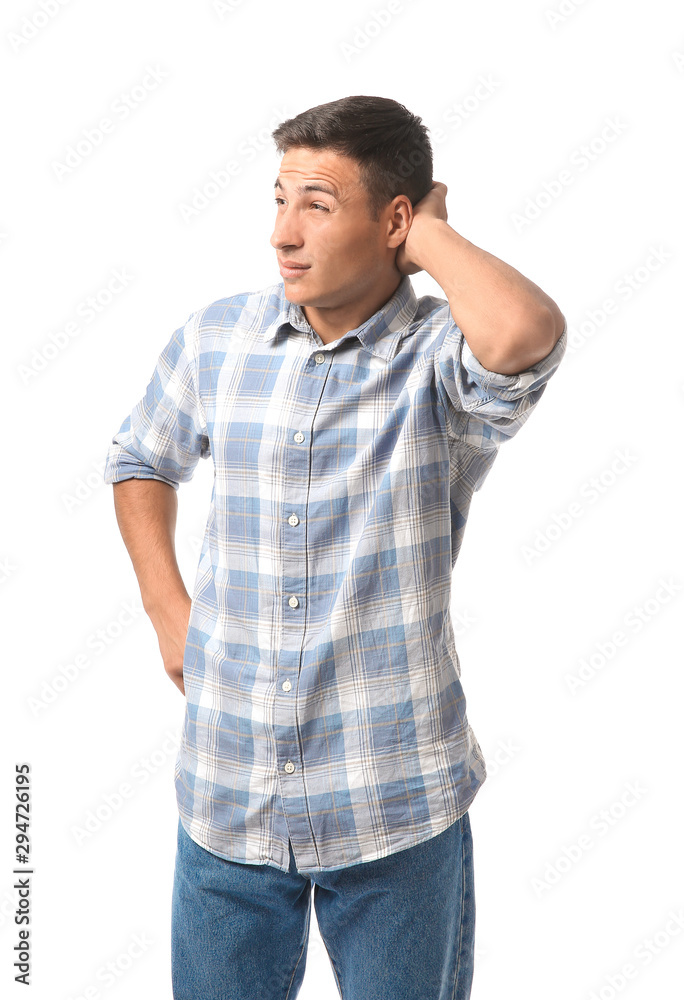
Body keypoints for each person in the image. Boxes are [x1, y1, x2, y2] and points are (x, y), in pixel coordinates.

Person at [104, 95, 567, 1000]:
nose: (283, 233)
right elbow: (138, 458)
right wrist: (168, 612)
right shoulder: (217, 339)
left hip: (393, 801)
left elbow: (523, 333)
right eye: (278, 199)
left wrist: (428, 238)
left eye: (317, 204)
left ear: (393, 219)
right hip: (227, 796)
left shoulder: (440, 357)